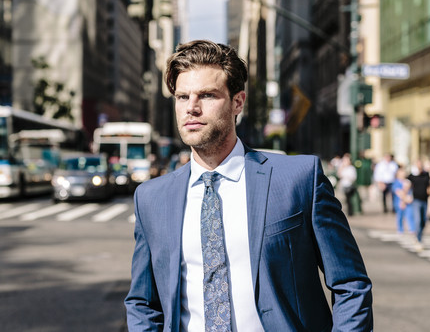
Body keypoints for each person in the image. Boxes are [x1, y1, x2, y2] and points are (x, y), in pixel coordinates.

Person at [124, 40, 373, 331]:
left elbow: (350, 284)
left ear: (238, 102)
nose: (191, 107)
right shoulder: (151, 198)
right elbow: (143, 302)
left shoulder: (299, 179)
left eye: (207, 95)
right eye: (182, 97)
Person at [407, 160, 430, 251]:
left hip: (425, 200)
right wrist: (407, 196)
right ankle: (418, 238)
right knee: (418, 220)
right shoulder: (412, 176)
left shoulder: (426, 175)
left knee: (424, 220)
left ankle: (420, 236)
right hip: (416, 200)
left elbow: (429, 187)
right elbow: (407, 186)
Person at [391, 166, 414, 235]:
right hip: (399, 202)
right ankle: (400, 229)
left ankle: (412, 228)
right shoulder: (396, 182)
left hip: (408, 202)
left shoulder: (408, 182)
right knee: (400, 216)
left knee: (409, 215)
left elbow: (410, 192)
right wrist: (404, 200)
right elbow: (399, 192)